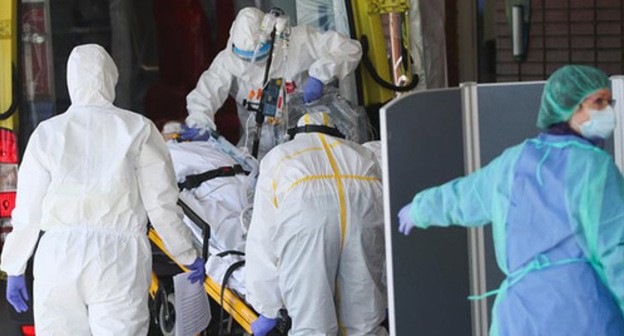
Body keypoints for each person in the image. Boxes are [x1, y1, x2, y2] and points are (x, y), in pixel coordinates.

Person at [398, 65, 624, 335]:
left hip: (519, 317)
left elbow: (464, 197)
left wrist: (420, 209)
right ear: (571, 107)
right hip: (582, 313)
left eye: (608, 102)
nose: (608, 110)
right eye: (598, 102)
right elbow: (616, 248)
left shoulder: (513, 161)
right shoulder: (594, 168)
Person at [0, 44, 205, 335]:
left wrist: (15, 267)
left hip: (57, 258)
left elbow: (28, 212)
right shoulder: (138, 129)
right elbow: (161, 205)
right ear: (112, 79)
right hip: (118, 259)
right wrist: (187, 253)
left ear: (71, 81)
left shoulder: (47, 133)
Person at [245, 112, 387, 336]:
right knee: (364, 322)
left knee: (313, 323)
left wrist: (266, 305)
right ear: (335, 131)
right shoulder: (364, 155)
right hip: (361, 216)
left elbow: (263, 234)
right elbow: (382, 225)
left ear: (296, 133)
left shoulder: (280, 157)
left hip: (307, 225)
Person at [184, 7, 362, 156]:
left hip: (309, 140)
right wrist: (201, 126)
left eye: (261, 57)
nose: (254, 65)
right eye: (246, 59)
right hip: (257, 148)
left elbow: (351, 49)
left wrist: (320, 74)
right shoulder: (226, 62)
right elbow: (203, 98)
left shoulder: (300, 41)